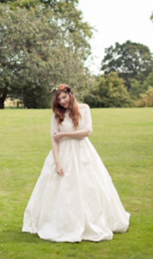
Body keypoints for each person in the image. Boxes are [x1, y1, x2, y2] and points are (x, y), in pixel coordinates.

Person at [22, 84, 130, 242]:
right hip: (63, 153)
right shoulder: (56, 114)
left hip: (82, 152)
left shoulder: (84, 108)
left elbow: (87, 132)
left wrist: (64, 134)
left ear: (70, 95)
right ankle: (63, 222)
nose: (62, 102)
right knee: (63, 187)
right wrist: (57, 162)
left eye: (64, 98)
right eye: (59, 100)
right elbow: (54, 139)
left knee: (89, 185)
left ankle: (91, 221)